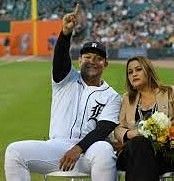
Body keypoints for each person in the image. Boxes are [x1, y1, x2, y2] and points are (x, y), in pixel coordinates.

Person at [4, 4, 121, 181]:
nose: (92, 61)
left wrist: (78, 148)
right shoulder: (66, 79)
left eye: (98, 58)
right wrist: (65, 34)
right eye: (87, 57)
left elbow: (102, 129)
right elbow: (60, 59)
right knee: (14, 152)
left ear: (105, 64)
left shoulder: (112, 96)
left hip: (90, 151)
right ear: (79, 60)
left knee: (105, 150)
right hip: (56, 148)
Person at [114, 56, 174, 181]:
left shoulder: (169, 92)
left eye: (138, 69)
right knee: (139, 143)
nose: (134, 74)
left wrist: (165, 130)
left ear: (148, 70)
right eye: (130, 72)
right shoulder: (127, 99)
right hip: (133, 151)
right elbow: (118, 128)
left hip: (165, 153)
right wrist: (132, 133)